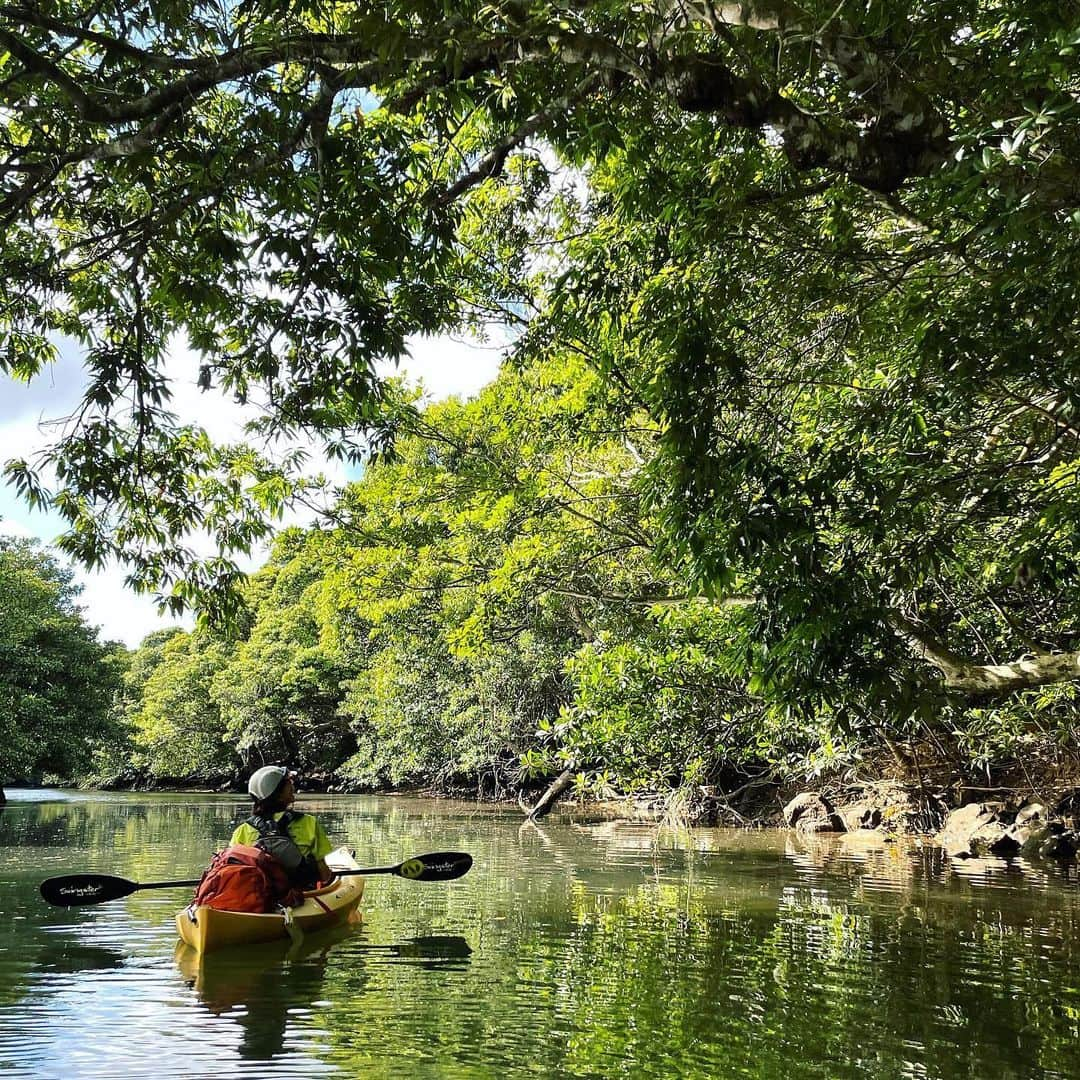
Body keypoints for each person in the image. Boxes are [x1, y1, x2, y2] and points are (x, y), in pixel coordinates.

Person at [230, 765, 335, 887]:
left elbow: (235, 869)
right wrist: (331, 887)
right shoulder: (308, 823)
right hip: (303, 894)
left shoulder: (242, 830)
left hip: (261, 896)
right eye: (288, 782)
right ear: (278, 794)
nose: (292, 785)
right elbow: (322, 868)